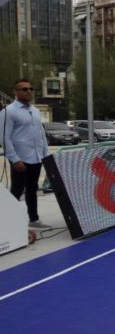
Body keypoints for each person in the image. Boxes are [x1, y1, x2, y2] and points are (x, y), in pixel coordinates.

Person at [0, 79, 50, 228]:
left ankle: (33, 219)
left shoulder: (35, 111)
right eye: (24, 89)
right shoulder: (8, 112)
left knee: (32, 189)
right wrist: (15, 159)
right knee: (17, 190)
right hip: (20, 158)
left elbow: (41, 134)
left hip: (36, 157)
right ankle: (7, 222)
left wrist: (46, 154)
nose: (28, 91)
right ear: (15, 92)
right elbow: (4, 137)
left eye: (30, 89)